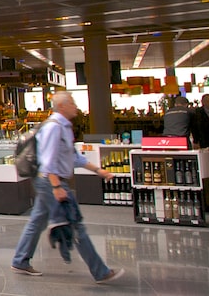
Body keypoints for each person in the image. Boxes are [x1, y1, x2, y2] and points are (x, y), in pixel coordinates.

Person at [11, 91, 124, 284]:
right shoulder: (54, 128)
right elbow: (48, 161)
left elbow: (74, 158)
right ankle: (100, 271)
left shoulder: (64, 127)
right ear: (62, 106)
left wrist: (99, 170)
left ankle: (20, 259)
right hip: (50, 181)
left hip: (50, 180)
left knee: (37, 220)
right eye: (72, 102)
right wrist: (56, 187)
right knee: (74, 222)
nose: (75, 106)